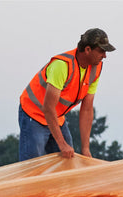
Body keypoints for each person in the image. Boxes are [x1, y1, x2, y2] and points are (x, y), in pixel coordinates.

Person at [18, 28, 115, 161]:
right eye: (101, 51)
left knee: (68, 161)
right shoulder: (62, 66)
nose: (104, 55)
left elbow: (86, 109)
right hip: (34, 114)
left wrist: (85, 148)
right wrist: (62, 144)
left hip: (56, 117)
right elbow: (48, 108)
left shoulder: (95, 68)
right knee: (34, 166)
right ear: (87, 50)